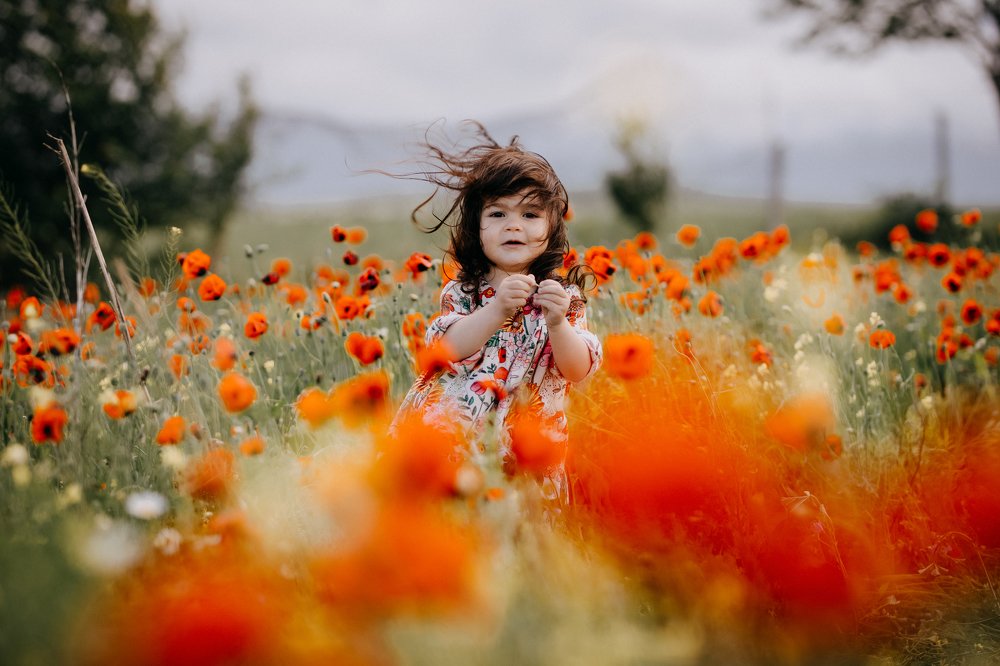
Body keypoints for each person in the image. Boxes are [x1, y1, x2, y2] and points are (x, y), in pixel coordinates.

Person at [393, 123, 603, 499]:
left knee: (520, 532)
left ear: (553, 226)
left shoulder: (562, 298)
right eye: (498, 214)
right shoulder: (465, 291)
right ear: (477, 226)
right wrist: (495, 309)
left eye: (530, 215)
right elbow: (445, 349)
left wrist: (557, 323)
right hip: (458, 439)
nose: (514, 226)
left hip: (527, 447)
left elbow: (577, 369)